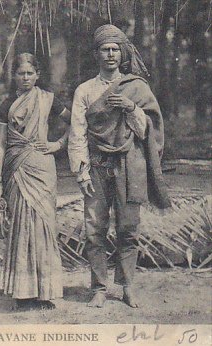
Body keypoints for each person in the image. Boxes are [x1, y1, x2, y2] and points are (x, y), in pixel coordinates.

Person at [68, 24, 170, 308]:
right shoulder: (85, 90)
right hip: (97, 166)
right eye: (105, 49)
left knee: (128, 228)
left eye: (115, 49)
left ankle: (127, 286)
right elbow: (77, 133)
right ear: (97, 54)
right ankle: (99, 288)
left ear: (122, 53)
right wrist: (81, 172)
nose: (111, 54)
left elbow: (147, 130)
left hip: (129, 165)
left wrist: (130, 107)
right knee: (94, 228)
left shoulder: (135, 87)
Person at [0, 52, 70, 309]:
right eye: (20, 73)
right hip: (16, 168)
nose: (25, 78)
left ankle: (44, 291)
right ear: (14, 76)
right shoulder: (6, 105)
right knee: (21, 226)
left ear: (37, 75)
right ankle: (22, 292)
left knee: (43, 227)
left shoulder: (48, 100)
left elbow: (77, 123)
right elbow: (1, 145)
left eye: (29, 73)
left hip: (42, 168)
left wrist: (57, 144)